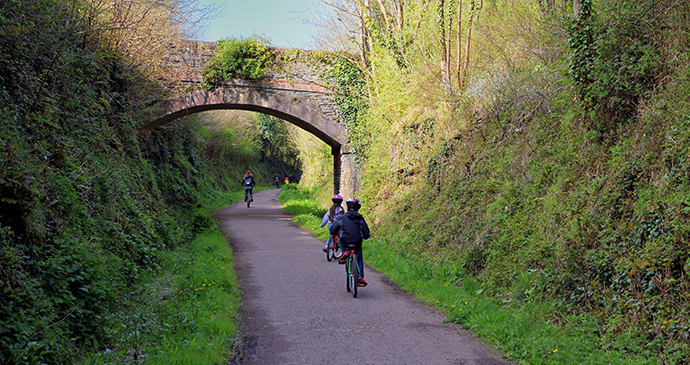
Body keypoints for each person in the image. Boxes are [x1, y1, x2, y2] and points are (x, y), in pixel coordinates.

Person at [330, 197, 370, 286]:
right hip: (357, 242)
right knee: (359, 258)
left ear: (347, 207)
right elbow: (366, 233)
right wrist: (366, 236)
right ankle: (361, 277)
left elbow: (333, 229)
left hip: (345, 241)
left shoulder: (343, 218)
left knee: (341, 241)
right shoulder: (360, 219)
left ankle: (345, 252)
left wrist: (335, 232)